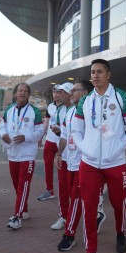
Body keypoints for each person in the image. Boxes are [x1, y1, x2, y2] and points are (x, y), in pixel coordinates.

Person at [72, 59, 126, 253]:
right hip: (89, 163)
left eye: (99, 72)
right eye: (92, 72)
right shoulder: (85, 100)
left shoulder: (121, 97)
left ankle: (121, 233)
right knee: (89, 206)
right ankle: (90, 249)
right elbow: (76, 130)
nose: (95, 75)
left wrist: (119, 147)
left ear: (108, 75)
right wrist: (85, 147)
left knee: (119, 203)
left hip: (115, 162)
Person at [56, 80, 98, 251]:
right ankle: (97, 215)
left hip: (85, 162)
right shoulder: (70, 112)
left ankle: (69, 234)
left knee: (75, 199)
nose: (70, 93)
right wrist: (59, 154)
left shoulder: (93, 111)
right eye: (71, 90)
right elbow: (65, 135)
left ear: (85, 92)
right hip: (70, 161)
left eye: (75, 90)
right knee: (75, 198)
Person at [0, 83, 44, 229]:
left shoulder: (35, 112)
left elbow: (39, 132)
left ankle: (17, 217)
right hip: (12, 153)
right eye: (20, 91)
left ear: (28, 94)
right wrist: (3, 134)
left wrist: (26, 137)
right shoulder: (9, 110)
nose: (22, 93)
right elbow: (2, 126)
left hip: (27, 154)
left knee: (23, 185)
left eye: (25, 91)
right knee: (16, 185)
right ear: (15, 94)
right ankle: (24, 210)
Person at [50, 82, 73, 230]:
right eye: (59, 92)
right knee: (63, 188)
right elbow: (62, 134)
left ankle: (96, 213)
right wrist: (59, 153)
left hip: (80, 157)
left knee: (78, 190)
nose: (60, 94)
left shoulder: (80, 109)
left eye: (63, 92)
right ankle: (63, 216)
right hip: (65, 155)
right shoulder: (60, 111)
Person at [37, 85, 61, 201]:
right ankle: (49, 190)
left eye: (58, 92)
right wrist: (41, 136)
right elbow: (46, 122)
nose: (56, 94)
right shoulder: (50, 106)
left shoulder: (68, 106)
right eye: (54, 92)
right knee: (47, 164)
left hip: (62, 140)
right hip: (50, 140)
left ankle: (64, 190)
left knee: (62, 166)